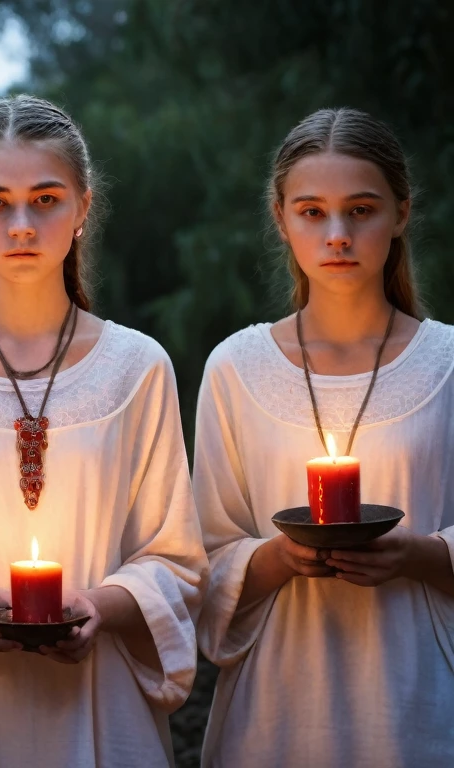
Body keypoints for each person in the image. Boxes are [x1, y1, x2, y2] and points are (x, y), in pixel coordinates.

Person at [0, 95, 206, 766]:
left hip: (102, 713)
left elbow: (175, 560)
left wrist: (102, 605)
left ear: (82, 208)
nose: (21, 224)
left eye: (46, 199)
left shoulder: (137, 368)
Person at [195, 107, 454, 766]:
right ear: (281, 218)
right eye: (312, 212)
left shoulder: (448, 364)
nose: (337, 234)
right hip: (277, 711)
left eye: (361, 210)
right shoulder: (235, 368)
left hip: (416, 703)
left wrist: (418, 555)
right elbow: (202, 556)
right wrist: (280, 558)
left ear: (400, 214)